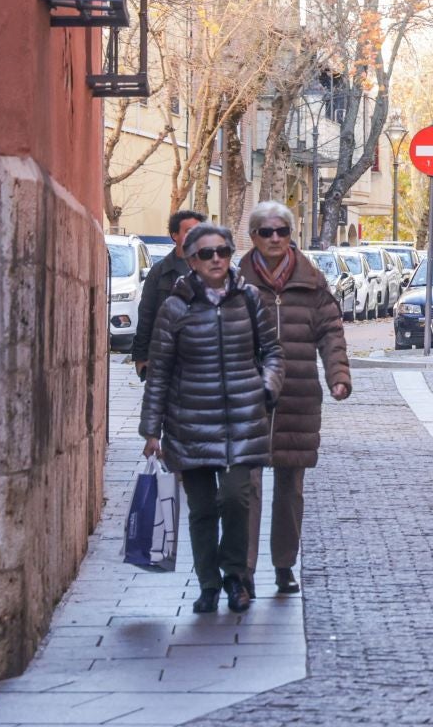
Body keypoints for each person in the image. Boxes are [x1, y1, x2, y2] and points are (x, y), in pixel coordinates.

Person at [139, 222, 282, 616]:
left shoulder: (249, 298)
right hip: (189, 425)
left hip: (243, 420)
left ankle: (235, 575)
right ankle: (208, 584)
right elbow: (160, 372)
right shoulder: (175, 307)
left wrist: (267, 387)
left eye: (222, 251)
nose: (216, 259)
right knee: (201, 510)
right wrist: (151, 430)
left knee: (237, 498)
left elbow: (272, 351)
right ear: (191, 260)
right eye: (206, 253)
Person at [238, 201, 350, 598]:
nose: (274, 239)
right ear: (252, 237)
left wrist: (338, 376)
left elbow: (332, 333)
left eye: (281, 232)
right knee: (246, 486)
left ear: (290, 236)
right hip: (248, 398)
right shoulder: (238, 282)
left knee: (291, 487)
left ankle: (284, 564)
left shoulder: (312, 281)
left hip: (299, 396)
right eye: (265, 232)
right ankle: (244, 570)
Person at [134, 208, 203, 380]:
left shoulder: (212, 270)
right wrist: (141, 356)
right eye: (189, 231)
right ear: (175, 236)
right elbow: (146, 314)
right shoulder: (160, 272)